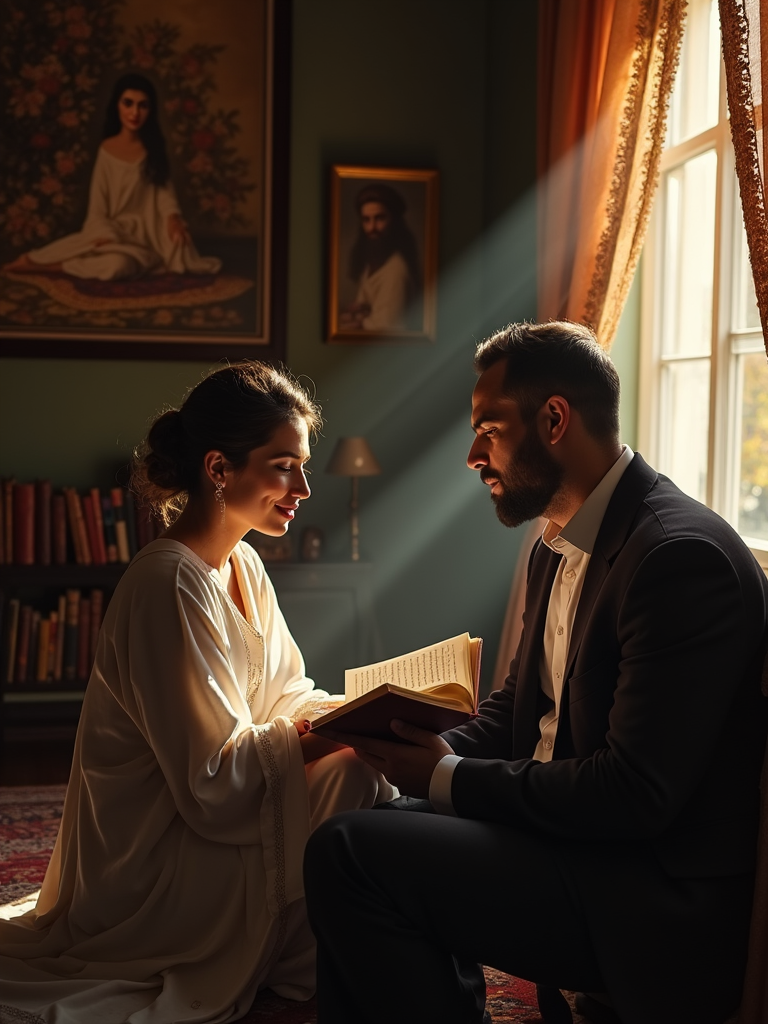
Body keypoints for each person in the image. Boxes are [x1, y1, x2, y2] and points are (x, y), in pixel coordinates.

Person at [303, 320, 768, 1024]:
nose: (471, 456)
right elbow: (520, 708)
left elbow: (635, 794)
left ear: (554, 419)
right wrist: (405, 740)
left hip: (643, 892)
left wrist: (442, 776)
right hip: (572, 848)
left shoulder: (678, 559)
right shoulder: (561, 539)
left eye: (489, 430)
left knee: (350, 854)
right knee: (375, 819)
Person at [0, 361, 394, 1024]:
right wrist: (337, 734)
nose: (301, 486)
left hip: (214, 814)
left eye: (301, 464)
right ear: (218, 468)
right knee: (349, 766)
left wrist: (355, 712)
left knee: (360, 764)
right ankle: (300, 970)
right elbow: (212, 783)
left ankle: (318, 959)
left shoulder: (242, 563)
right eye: (282, 465)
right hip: (153, 854)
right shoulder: (168, 585)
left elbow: (286, 693)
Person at [3, 72, 221, 280]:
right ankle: (34, 263)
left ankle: (50, 267)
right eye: (128, 103)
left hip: (148, 234)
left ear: (150, 110)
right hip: (116, 233)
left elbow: (165, 195)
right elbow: (98, 207)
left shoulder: (153, 149)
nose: (134, 113)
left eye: (142, 105)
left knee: (177, 242)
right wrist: (106, 234)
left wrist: (173, 219)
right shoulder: (106, 150)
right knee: (116, 265)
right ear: (117, 104)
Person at [339, 183, 421, 332]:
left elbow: (385, 326)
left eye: (380, 218)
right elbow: (364, 306)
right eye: (366, 220)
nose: (372, 228)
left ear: (394, 221)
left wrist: (358, 321)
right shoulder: (373, 263)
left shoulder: (396, 271)